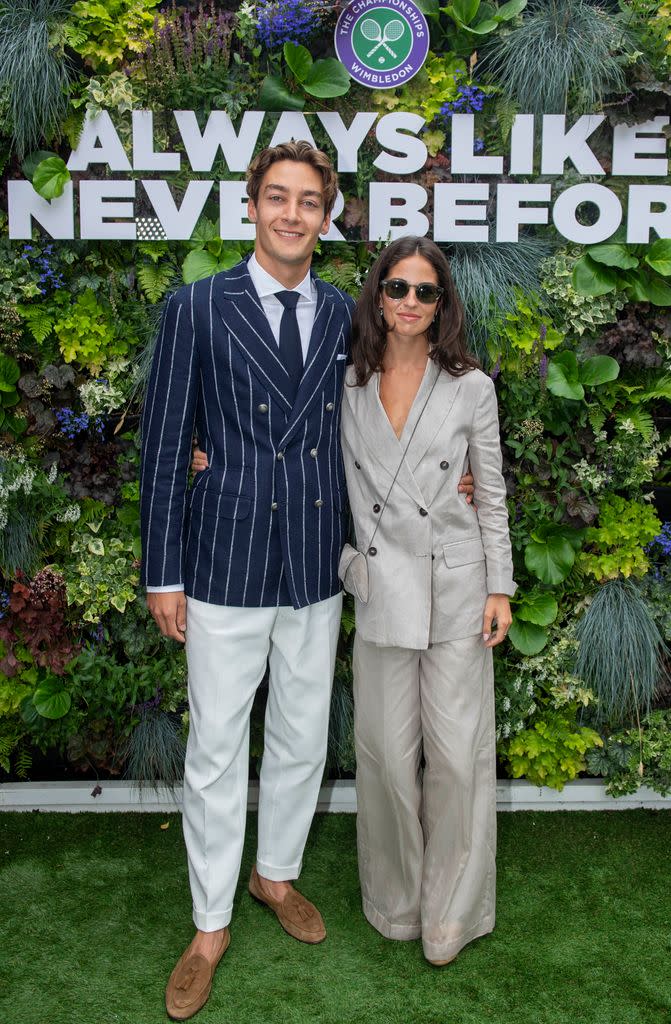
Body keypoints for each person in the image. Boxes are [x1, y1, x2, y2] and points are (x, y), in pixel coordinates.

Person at [143, 143, 474, 1020]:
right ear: (250, 206)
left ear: (327, 218)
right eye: (277, 198)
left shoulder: (345, 313)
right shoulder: (197, 307)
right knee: (217, 745)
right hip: (222, 556)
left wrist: (457, 473)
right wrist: (161, 571)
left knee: (298, 735)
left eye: (309, 202)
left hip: (317, 558)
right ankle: (208, 924)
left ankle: (273, 876)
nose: (292, 214)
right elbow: (166, 445)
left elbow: (393, 402)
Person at [339, 236, 516, 966]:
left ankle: (452, 912)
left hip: (456, 583)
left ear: (443, 304)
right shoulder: (345, 382)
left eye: (425, 291)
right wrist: (216, 452)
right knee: (382, 755)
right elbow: (286, 449)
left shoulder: (470, 385)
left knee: (456, 758)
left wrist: (500, 584)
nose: (410, 302)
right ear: (377, 295)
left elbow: (492, 491)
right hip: (381, 587)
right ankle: (395, 900)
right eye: (397, 287)